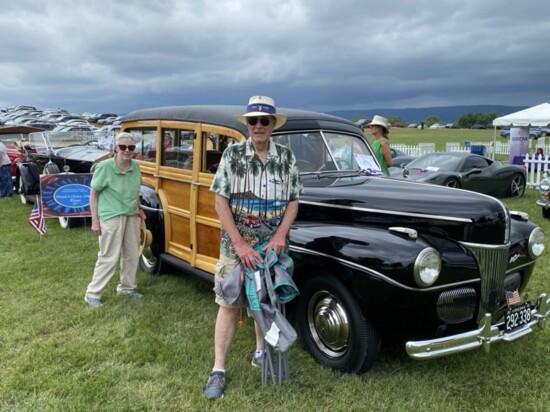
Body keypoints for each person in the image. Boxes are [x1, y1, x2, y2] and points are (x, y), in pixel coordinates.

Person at [204, 96, 303, 400]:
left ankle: (261, 350)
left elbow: (293, 200)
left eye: (264, 121)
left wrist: (279, 237)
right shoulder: (233, 155)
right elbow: (220, 200)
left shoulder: (286, 158)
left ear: (273, 124)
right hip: (237, 248)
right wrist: (240, 243)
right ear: (246, 124)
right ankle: (218, 370)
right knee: (230, 303)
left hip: (271, 249)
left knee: (265, 297)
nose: (258, 126)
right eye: (252, 121)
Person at [84, 132, 146, 307]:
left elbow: (134, 191)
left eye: (131, 147)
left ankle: (127, 289)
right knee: (108, 256)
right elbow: (93, 194)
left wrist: (139, 209)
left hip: (131, 215)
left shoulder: (135, 166)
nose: (127, 150)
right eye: (123, 147)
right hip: (111, 216)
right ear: (116, 148)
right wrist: (94, 220)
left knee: (132, 255)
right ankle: (93, 293)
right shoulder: (104, 167)